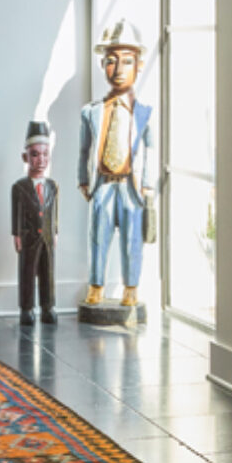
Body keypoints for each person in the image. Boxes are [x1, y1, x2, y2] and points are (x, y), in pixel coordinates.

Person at [78, 18, 153, 307]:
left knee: (132, 241)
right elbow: (84, 149)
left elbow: (151, 148)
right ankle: (95, 286)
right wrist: (83, 181)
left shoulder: (144, 112)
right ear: (103, 65)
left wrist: (146, 184)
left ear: (139, 65)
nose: (118, 69)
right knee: (98, 237)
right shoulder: (92, 112)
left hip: (130, 187)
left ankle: (130, 288)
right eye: (111, 61)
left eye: (126, 61)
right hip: (103, 185)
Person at [12, 119, 59, 326]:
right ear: (25, 157)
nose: (41, 160)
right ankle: (27, 308)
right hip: (28, 236)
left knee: (48, 272)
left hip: (47, 237)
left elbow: (54, 211)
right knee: (27, 272)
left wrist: (55, 231)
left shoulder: (53, 186)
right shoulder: (19, 187)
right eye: (35, 154)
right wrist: (16, 234)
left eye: (45, 154)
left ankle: (48, 307)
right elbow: (16, 212)